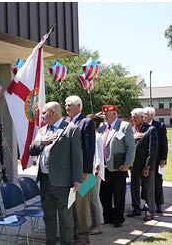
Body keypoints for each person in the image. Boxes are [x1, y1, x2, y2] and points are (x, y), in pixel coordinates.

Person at [29, 102, 83, 245]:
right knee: (48, 217)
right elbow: (31, 150)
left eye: (44, 113)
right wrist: (41, 141)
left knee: (66, 219)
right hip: (45, 182)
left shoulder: (71, 129)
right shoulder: (42, 131)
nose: (41, 116)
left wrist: (77, 180)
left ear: (53, 112)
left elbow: (77, 157)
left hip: (63, 183)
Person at [65, 95, 96, 245]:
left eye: (69, 105)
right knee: (71, 204)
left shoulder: (86, 122)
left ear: (79, 106)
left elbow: (89, 149)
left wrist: (86, 172)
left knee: (81, 205)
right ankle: (73, 233)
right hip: (69, 171)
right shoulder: (66, 122)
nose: (66, 107)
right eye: (65, 104)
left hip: (82, 173)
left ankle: (84, 235)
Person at [100, 105, 135, 228]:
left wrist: (127, 164)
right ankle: (108, 217)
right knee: (104, 194)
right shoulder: (102, 127)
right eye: (103, 114)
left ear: (114, 114)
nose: (104, 117)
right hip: (103, 167)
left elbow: (131, 147)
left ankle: (119, 218)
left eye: (107, 114)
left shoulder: (124, 126)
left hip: (118, 167)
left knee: (118, 195)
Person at [128, 108, 157, 220]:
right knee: (134, 188)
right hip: (134, 164)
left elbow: (152, 149)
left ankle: (150, 211)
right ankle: (136, 209)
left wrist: (148, 165)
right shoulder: (131, 129)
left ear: (142, 117)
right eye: (132, 116)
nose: (133, 118)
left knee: (148, 188)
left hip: (146, 165)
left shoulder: (150, 129)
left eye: (135, 116)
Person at [89, 114, 106, 235]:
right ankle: (95, 223)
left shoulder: (97, 137)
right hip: (90, 173)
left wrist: (96, 172)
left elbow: (99, 157)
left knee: (94, 199)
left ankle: (99, 225)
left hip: (95, 174)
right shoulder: (91, 136)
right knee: (91, 199)